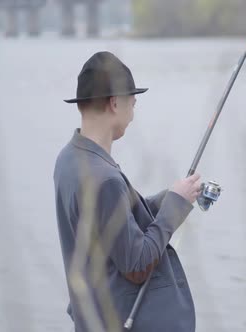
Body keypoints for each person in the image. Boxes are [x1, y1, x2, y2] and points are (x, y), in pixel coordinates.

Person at [54, 51, 200, 331]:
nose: (133, 115)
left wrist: (171, 197)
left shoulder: (69, 159)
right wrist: (174, 211)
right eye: (133, 103)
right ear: (114, 103)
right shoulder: (104, 178)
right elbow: (136, 264)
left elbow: (112, 222)